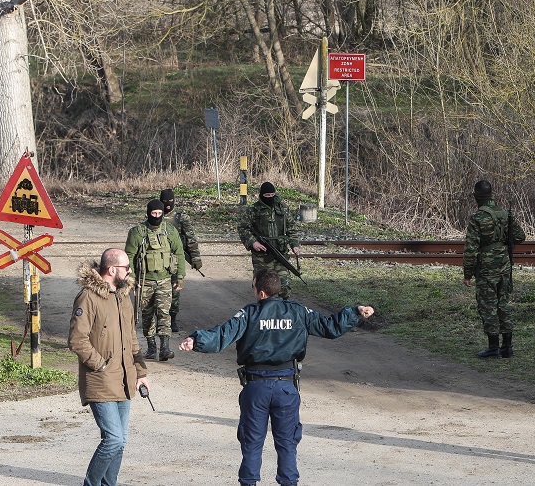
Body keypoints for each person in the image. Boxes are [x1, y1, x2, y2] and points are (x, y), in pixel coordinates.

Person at [179, 268, 375, 486]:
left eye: (253, 286)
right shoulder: (298, 311)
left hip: (255, 388)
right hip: (286, 387)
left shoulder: (249, 313)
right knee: (287, 444)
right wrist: (355, 312)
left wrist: (196, 341)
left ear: (261, 292)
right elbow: (329, 327)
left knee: (251, 443)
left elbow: (222, 335)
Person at [68, 248, 150, 486]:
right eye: (126, 267)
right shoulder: (87, 297)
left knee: (121, 440)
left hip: (125, 380)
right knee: (113, 439)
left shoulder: (124, 296)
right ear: (112, 269)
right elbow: (76, 340)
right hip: (100, 380)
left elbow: (132, 339)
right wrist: (101, 365)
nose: (129, 272)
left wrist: (141, 372)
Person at [462, 180, 526, 359]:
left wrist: (468, 274)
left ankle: (493, 348)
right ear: (491, 194)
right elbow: (520, 236)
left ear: (477, 196)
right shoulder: (505, 214)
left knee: (488, 306)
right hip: (505, 266)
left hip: (486, 269)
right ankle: (507, 347)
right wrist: (503, 242)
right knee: (503, 304)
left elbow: (471, 249)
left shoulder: (478, 217)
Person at [125, 199, 186, 361]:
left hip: (164, 280)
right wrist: (131, 278)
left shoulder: (170, 231)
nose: (157, 216)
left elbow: (179, 253)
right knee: (147, 314)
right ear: (148, 213)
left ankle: (165, 348)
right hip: (145, 280)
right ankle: (151, 346)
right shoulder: (137, 233)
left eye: (160, 214)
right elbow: (129, 256)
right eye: (154, 214)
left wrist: (180, 276)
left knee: (163, 313)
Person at [238, 181, 301, 299]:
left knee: (284, 287)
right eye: (267, 196)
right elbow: (242, 228)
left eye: (272, 195)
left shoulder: (283, 209)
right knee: (263, 288)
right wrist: (253, 242)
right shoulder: (253, 209)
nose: (270, 198)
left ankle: (283, 312)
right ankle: (264, 312)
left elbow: (292, 228)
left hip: (280, 254)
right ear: (262, 195)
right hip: (261, 257)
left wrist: (294, 245)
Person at [160, 188, 203, 333]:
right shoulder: (155, 215)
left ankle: (173, 319)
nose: (168, 204)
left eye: (170, 201)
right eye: (165, 201)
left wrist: (195, 257)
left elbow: (191, 239)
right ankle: (159, 318)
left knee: (175, 290)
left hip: (176, 259)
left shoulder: (181, 217)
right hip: (157, 259)